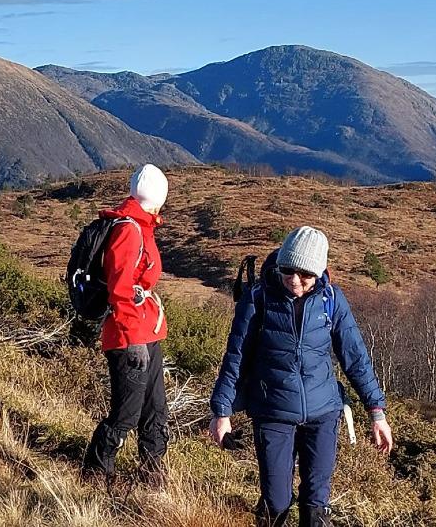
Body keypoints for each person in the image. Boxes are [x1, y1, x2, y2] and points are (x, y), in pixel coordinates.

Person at [209, 226, 392, 527]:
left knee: (315, 505)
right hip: (273, 413)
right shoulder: (258, 299)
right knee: (276, 503)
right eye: (287, 270)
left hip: (323, 414)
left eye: (305, 274)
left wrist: (376, 412)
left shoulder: (331, 300)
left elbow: (355, 357)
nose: (294, 280)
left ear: (319, 272)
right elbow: (236, 357)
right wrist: (221, 411)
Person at [81, 164, 171, 484]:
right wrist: (133, 339)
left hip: (146, 331)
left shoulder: (137, 225)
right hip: (128, 336)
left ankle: (152, 477)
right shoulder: (129, 230)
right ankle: (95, 473)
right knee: (127, 415)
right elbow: (120, 290)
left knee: (154, 410)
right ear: (159, 199)